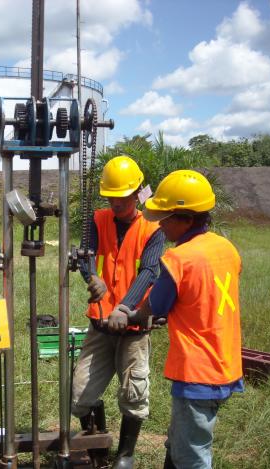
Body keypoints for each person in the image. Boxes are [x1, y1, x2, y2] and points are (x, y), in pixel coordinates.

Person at [109, 169, 244, 469]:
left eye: (166, 218)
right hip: (226, 365)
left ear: (186, 218)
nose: (160, 225)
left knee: (191, 457)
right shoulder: (227, 249)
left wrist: (129, 313)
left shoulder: (178, 259)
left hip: (197, 373)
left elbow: (154, 308)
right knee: (179, 439)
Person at [72, 155, 166, 469]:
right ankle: (96, 440)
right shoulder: (96, 220)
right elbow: (85, 254)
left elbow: (150, 271)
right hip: (100, 324)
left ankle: (125, 454)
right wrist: (91, 276)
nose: (115, 204)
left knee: (134, 395)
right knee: (78, 396)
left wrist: (125, 307)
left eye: (122, 198)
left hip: (134, 329)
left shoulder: (153, 228)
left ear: (138, 192)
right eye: (111, 197)